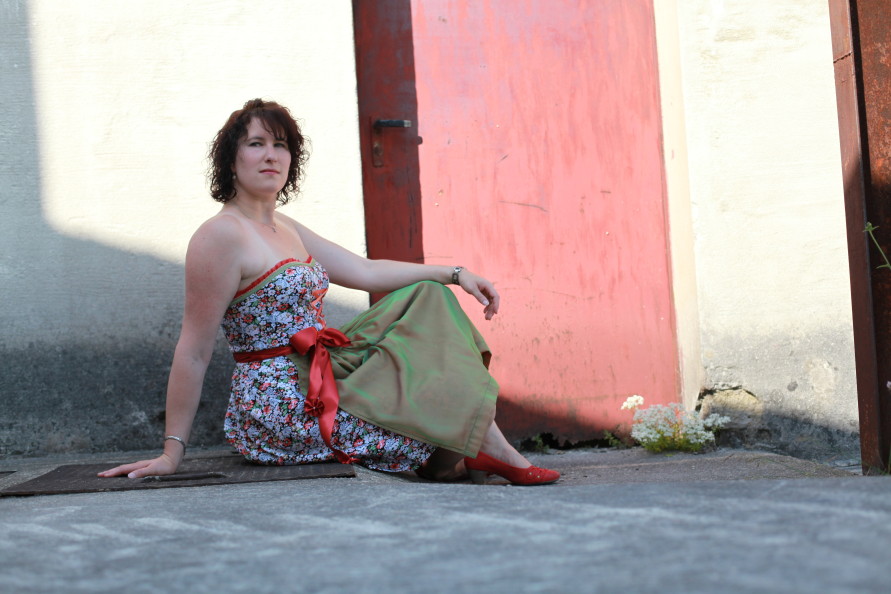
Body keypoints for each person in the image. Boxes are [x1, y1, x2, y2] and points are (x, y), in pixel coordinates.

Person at [99, 99, 558, 486]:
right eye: (256, 144)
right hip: (281, 400)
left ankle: (479, 452)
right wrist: (171, 453)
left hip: (325, 371)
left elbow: (364, 270)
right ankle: (486, 453)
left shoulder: (286, 227)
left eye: (281, 145)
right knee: (426, 419)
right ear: (231, 160)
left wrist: (455, 274)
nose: (271, 155)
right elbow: (194, 350)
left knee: (428, 297)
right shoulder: (219, 236)